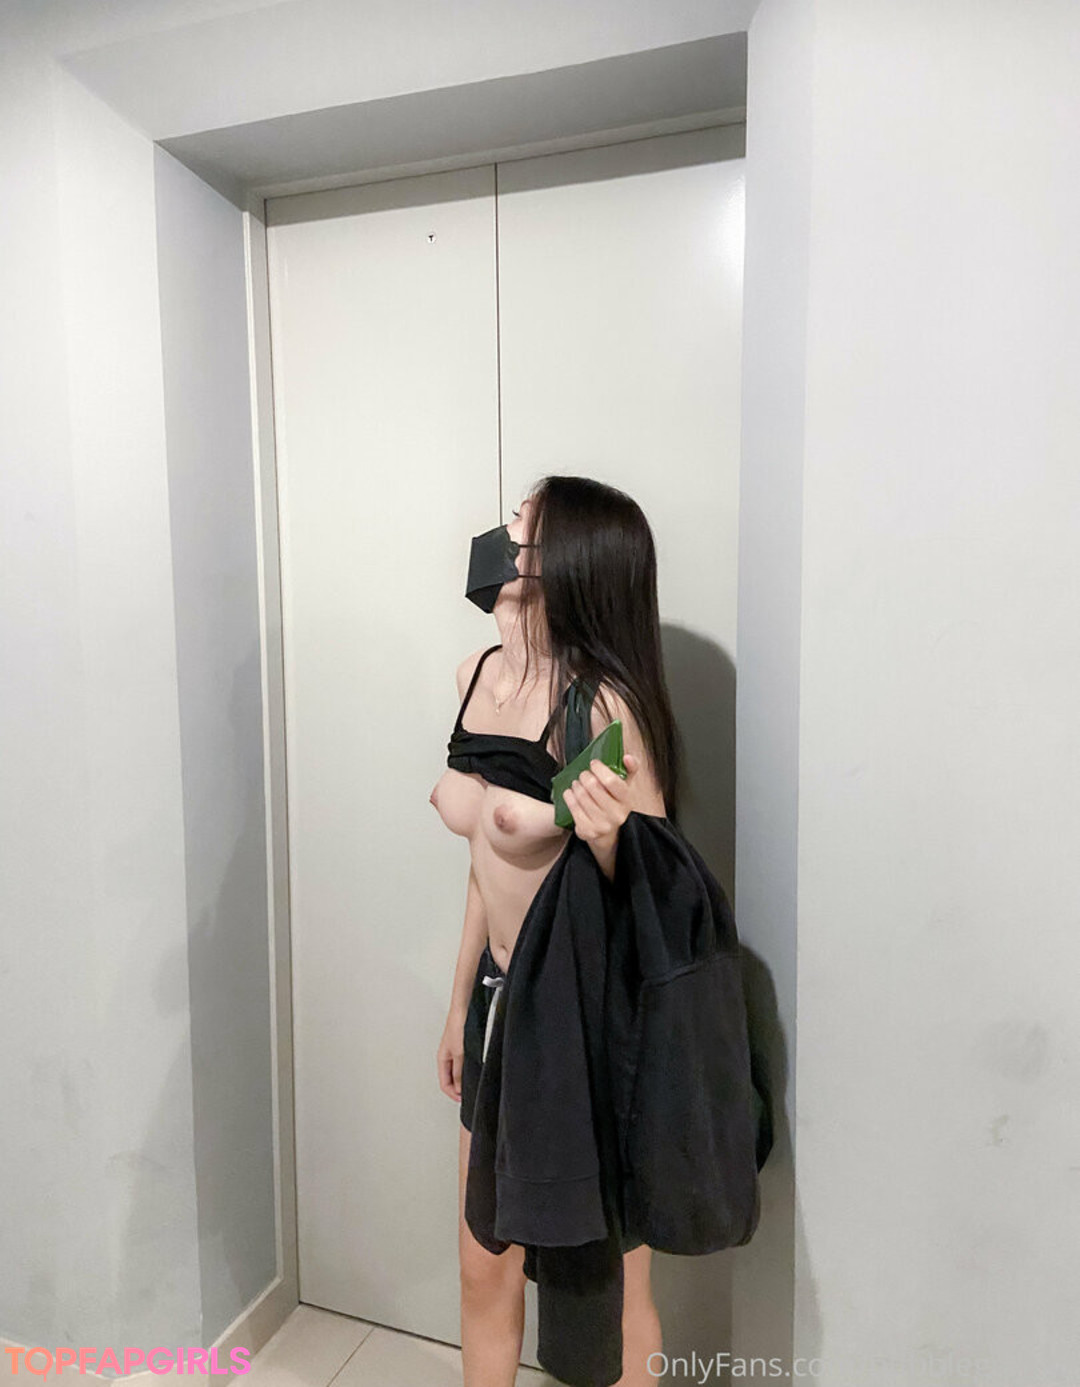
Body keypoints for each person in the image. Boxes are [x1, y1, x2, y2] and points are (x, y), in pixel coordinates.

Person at [429, 474, 683, 1387]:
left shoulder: (601, 704)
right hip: (499, 1004)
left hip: (581, 1020)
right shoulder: (475, 675)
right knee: (482, 1261)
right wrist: (458, 1003)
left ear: (567, 557)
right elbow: (485, 865)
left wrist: (610, 841)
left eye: (523, 524)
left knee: (607, 1281)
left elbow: (657, 900)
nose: (502, 534)